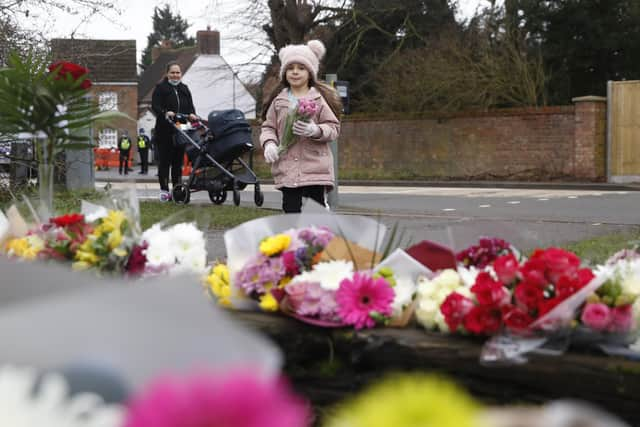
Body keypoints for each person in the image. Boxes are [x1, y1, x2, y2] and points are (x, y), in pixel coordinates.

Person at [260, 40, 342, 213]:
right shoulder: (278, 101)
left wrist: (316, 130)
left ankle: (318, 239)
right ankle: (294, 239)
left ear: (310, 73)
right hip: (287, 167)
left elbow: (333, 128)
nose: (295, 72)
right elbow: (268, 127)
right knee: (290, 210)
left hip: (315, 167)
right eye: (290, 68)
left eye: (301, 68)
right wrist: (269, 144)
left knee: (316, 212)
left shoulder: (319, 100)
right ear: (284, 73)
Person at [151, 61, 197, 201]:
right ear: (167, 74)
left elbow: (190, 107)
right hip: (165, 131)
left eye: (178, 73)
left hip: (181, 131)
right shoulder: (161, 88)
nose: (175, 75)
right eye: (173, 72)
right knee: (165, 162)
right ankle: (164, 190)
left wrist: (192, 114)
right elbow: (155, 106)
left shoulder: (184, 89)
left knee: (177, 163)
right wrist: (165, 112)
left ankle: (177, 190)